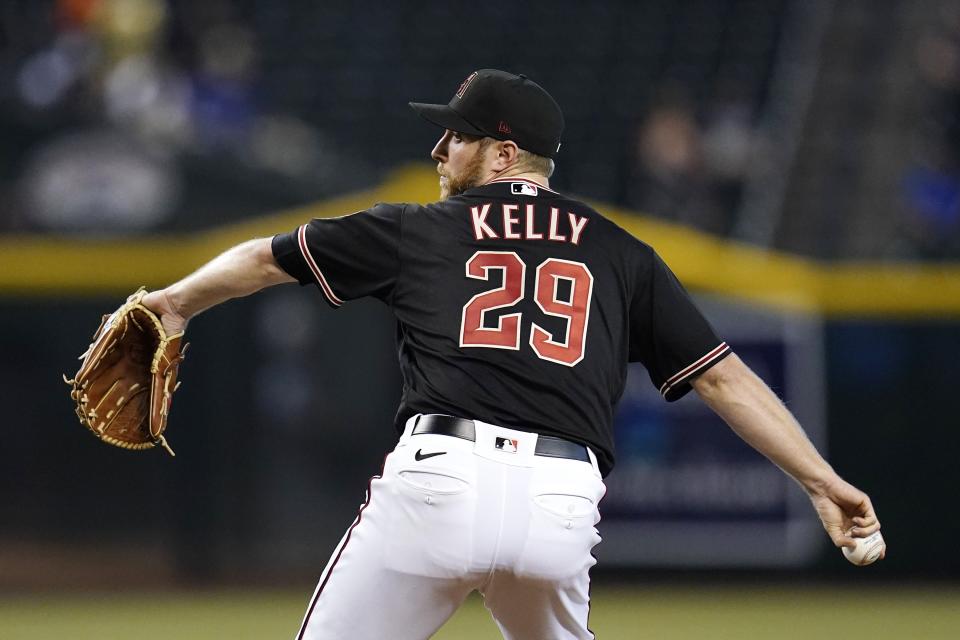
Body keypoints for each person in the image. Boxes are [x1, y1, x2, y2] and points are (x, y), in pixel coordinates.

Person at [141, 69, 884, 640]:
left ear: (501, 153)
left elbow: (267, 259)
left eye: (455, 135)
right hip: (558, 506)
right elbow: (722, 377)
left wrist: (171, 303)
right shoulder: (621, 251)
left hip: (438, 486)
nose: (438, 149)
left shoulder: (419, 229)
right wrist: (822, 481)